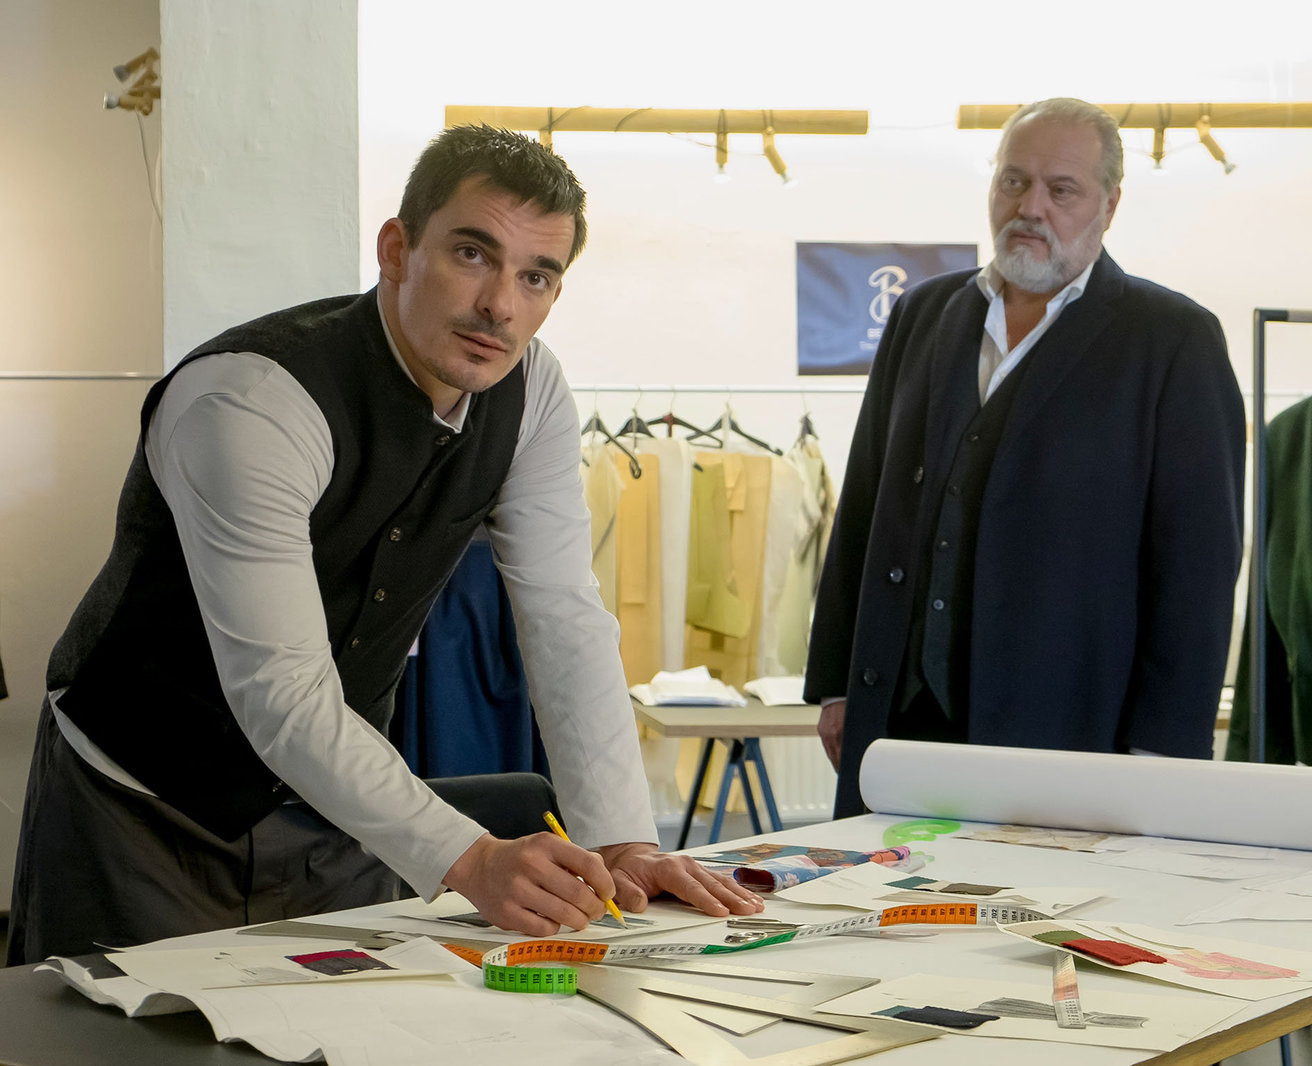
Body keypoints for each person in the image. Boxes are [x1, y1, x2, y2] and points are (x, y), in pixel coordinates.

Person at [8, 124, 761, 966]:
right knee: (117, 1031)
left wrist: (623, 841)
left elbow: (564, 618)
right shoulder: (251, 400)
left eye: (536, 276)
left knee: (350, 1024)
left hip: (341, 815)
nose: (501, 305)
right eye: (473, 254)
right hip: (140, 803)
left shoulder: (533, 391)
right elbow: (280, 689)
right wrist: (468, 857)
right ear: (398, 249)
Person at [804, 98, 1245, 817]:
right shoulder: (922, 313)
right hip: (900, 721)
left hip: (1069, 726)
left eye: (1060, 189)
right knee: (883, 887)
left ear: (1109, 205)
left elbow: (1198, 566)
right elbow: (865, 504)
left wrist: (1164, 749)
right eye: (1014, 180)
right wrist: (837, 683)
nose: (1030, 207)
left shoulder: (1173, 340)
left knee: (1036, 893)